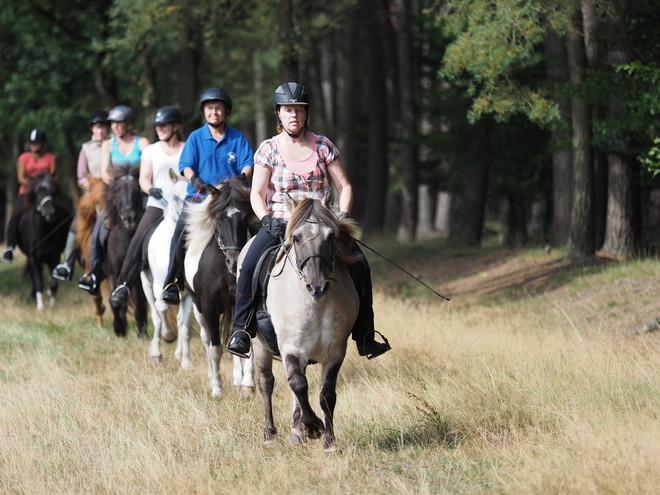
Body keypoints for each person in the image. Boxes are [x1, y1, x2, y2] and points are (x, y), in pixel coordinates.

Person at [226, 82, 391, 360]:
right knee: (250, 263)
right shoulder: (268, 149)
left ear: (306, 114)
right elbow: (256, 193)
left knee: (360, 265)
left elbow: (345, 187)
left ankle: (365, 335)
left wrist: (342, 215)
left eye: (299, 110)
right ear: (278, 114)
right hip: (281, 222)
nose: (294, 115)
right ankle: (241, 330)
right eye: (288, 110)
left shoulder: (324, 146)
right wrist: (266, 219)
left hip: (322, 223)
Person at [160, 87, 254, 305]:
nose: (214, 112)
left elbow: (248, 164)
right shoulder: (195, 137)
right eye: (210, 108)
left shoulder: (237, 138)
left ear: (226, 111)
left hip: (230, 199)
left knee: (255, 230)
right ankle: (172, 282)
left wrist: (241, 178)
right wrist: (193, 179)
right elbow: (185, 165)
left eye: (219, 108)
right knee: (179, 232)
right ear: (204, 112)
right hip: (200, 198)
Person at [109, 106, 185, 306]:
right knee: (138, 238)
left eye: (164, 125)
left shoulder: (187, 148)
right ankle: (123, 284)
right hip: (158, 204)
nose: (159, 129)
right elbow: (143, 179)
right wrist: (151, 190)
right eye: (157, 126)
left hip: (184, 205)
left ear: (176, 126)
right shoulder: (151, 150)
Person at [78, 105, 149, 294]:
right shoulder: (109, 145)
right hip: (118, 193)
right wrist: (118, 184)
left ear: (129, 124)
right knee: (101, 226)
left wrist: (137, 182)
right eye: (113, 124)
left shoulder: (142, 142)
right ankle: (94, 271)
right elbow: (105, 172)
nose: (115, 127)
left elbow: (150, 166)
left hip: (140, 192)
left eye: (119, 123)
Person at [53, 110, 110, 281]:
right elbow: (81, 176)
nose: (100, 131)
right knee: (77, 223)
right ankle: (67, 264)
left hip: (113, 192)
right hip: (93, 193)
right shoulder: (86, 148)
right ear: (92, 129)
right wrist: (92, 186)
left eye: (103, 128)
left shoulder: (114, 144)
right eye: (97, 128)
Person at [2, 129, 57, 263]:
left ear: (43, 143)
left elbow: (53, 176)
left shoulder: (51, 158)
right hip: (27, 192)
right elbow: (21, 178)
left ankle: (65, 244)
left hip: (45, 193)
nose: (33, 145)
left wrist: (45, 187)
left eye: (36, 143)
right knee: (15, 215)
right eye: (31, 143)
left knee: (61, 212)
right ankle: (10, 247)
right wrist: (34, 186)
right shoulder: (23, 158)